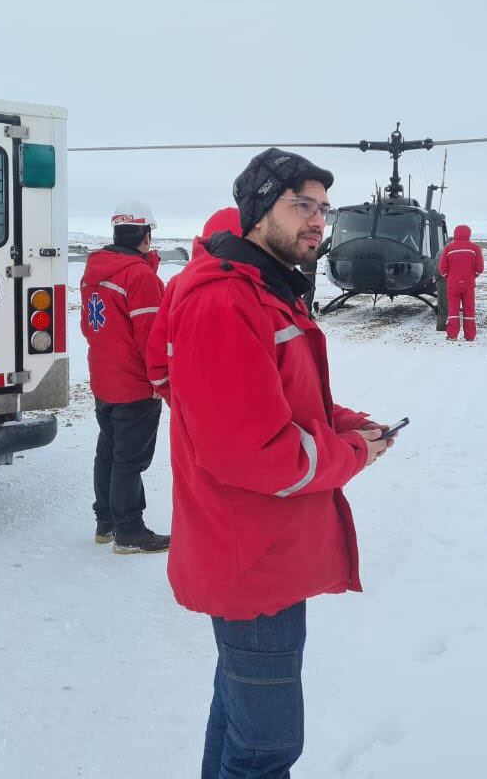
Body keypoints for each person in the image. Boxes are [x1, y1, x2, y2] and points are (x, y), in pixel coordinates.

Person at [160, 148, 392, 778]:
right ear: (259, 212)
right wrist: (354, 454)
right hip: (252, 563)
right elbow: (256, 453)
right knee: (265, 750)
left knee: (240, 723)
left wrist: (345, 423)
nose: (318, 220)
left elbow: (282, 400)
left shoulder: (265, 291)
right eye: (301, 205)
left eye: (324, 209)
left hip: (267, 557)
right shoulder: (226, 303)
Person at [79, 200, 170, 554]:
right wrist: (160, 380)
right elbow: (153, 338)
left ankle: (106, 523)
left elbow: (89, 326)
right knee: (130, 460)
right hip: (134, 384)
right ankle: (129, 531)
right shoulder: (139, 276)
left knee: (109, 451)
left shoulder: (94, 272)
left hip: (105, 379)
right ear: (145, 235)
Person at [146, 206, 243, 405]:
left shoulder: (178, 284)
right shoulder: (258, 288)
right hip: (243, 410)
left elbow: (158, 362)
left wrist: (180, 403)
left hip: (191, 410)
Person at [436, 224, 485, 341]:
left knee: (453, 310)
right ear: (468, 233)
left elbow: (442, 268)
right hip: (468, 284)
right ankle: (470, 336)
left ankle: (452, 335)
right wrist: (473, 276)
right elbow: (480, 268)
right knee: (469, 309)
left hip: (453, 284)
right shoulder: (475, 248)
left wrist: (449, 277)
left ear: (456, 233)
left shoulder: (449, 248)